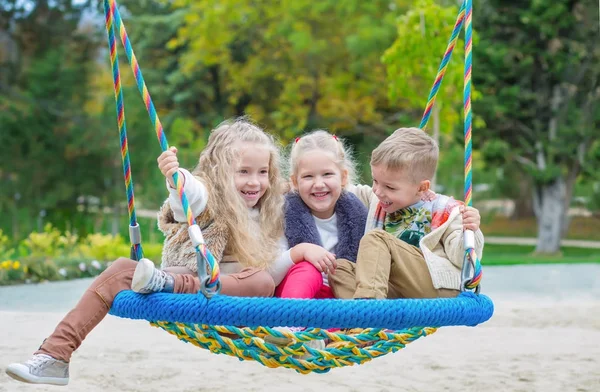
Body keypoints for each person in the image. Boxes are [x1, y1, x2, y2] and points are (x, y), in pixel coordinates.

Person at [5, 118, 290, 386]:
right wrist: (176, 178)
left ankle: (174, 284)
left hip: (237, 301)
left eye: (262, 172)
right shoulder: (209, 197)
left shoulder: (271, 210)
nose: (254, 182)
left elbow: (276, 270)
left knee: (263, 280)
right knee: (120, 268)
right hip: (194, 287)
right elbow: (191, 196)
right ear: (218, 171)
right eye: (243, 172)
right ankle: (54, 354)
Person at [329, 127, 484, 300]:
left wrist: (470, 230)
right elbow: (342, 190)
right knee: (339, 267)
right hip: (392, 289)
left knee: (377, 238)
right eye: (375, 181)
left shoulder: (446, 210)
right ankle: (359, 319)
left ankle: (369, 310)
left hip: (435, 287)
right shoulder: (376, 199)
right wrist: (309, 180)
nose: (378, 191)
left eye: (389, 187)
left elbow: (461, 258)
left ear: (421, 187)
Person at [274, 130, 368, 300]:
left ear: (343, 177)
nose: (319, 184)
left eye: (327, 174)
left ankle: (354, 319)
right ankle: (291, 321)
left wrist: (421, 193)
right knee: (308, 271)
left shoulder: (357, 212)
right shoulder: (283, 213)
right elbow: (270, 275)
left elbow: (388, 191)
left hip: (342, 294)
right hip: (298, 293)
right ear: (295, 182)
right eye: (308, 176)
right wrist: (300, 251)